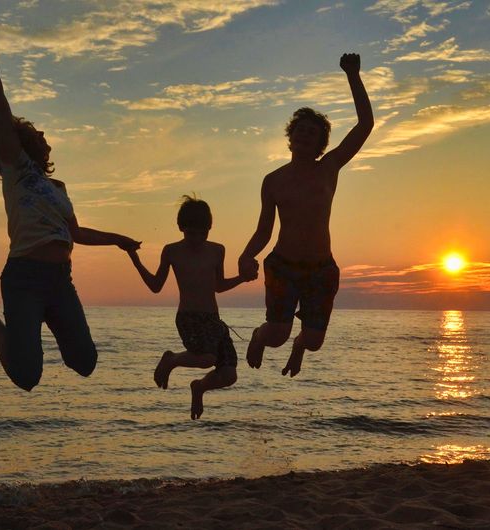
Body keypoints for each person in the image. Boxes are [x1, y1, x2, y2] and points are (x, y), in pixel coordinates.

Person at [0, 11, 140, 391]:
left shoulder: (57, 188)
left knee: (85, 362)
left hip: (60, 280)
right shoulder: (17, 169)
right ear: (24, 142)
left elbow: (75, 232)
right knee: (27, 377)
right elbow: (0, 103)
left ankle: (41, 322)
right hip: (24, 277)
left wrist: (118, 240)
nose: (44, 135)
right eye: (38, 132)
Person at [238, 53, 374, 378]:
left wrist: (353, 75)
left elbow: (365, 124)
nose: (304, 135)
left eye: (312, 133)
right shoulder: (273, 181)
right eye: (299, 130)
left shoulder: (329, 168)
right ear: (290, 136)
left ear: (320, 144)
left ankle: (300, 346)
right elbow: (263, 231)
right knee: (275, 336)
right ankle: (258, 336)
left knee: (312, 342)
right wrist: (246, 255)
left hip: (320, 269)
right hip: (283, 266)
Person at [127, 196, 250, 419]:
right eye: (191, 233)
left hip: (213, 319)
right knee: (207, 358)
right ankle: (171, 360)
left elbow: (219, 286)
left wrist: (242, 278)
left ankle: (199, 388)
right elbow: (156, 286)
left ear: (209, 229)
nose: (197, 238)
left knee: (229, 374)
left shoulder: (217, 250)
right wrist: (135, 259)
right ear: (181, 228)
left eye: (202, 233)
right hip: (188, 317)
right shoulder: (172, 251)